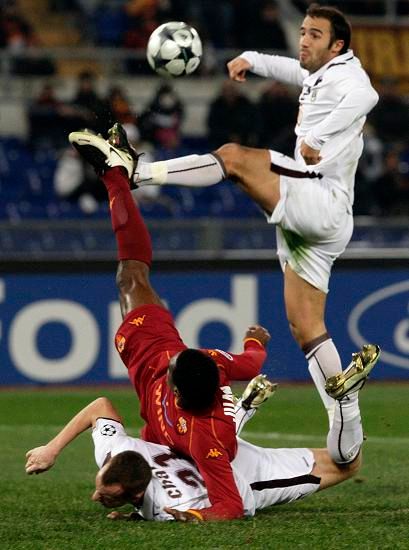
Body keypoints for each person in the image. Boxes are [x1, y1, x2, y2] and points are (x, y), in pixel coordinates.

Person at [90, 4, 380, 427]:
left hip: (319, 197)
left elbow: (367, 96)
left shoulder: (349, 77)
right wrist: (254, 60)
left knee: (234, 158)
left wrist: (318, 135)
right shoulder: (323, 73)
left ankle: (140, 171)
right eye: (302, 31)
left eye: (315, 34)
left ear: (338, 45)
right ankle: (347, 425)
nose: (303, 39)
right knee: (306, 327)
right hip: (323, 222)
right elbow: (294, 71)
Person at [67, 124, 272, 521]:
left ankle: (118, 176)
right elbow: (250, 365)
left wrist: (162, 510)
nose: (174, 362)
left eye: (174, 370)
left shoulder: (198, 431)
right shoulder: (207, 368)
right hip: (150, 336)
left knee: (132, 275)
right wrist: (254, 342)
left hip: (146, 352)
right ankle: (116, 177)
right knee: (131, 276)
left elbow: (225, 504)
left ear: (176, 391)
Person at [25, 361, 376, 522]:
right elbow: (101, 406)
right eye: (102, 488)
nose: (95, 495)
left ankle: (344, 401)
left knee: (348, 465)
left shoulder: (164, 509)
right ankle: (241, 411)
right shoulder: (116, 450)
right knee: (206, 443)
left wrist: (176, 518)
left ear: (135, 495)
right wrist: (51, 449)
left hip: (247, 478)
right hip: (203, 455)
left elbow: (228, 508)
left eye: (104, 493)